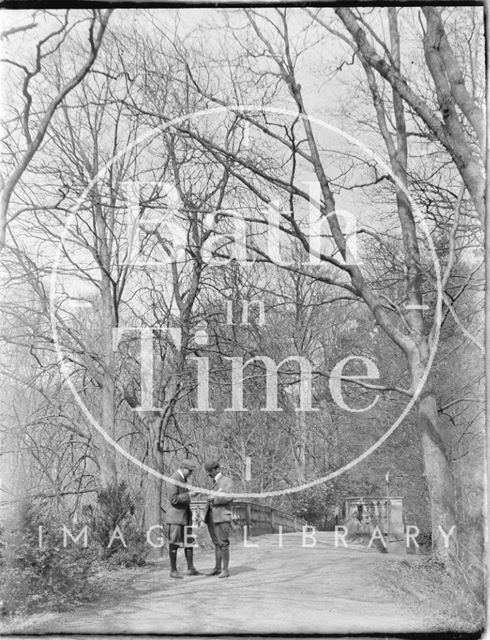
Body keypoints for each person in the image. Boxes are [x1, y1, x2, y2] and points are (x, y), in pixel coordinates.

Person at [165, 459, 201, 579]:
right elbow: (174, 499)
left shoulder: (183, 480)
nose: (191, 473)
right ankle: (173, 570)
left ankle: (190, 568)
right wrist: (189, 495)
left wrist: (190, 493)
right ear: (183, 468)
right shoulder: (173, 479)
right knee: (174, 543)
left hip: (185, 517)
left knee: (188, 542)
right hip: (175, 518)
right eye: (190, 471)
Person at [204, 460, 233, 578]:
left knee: (223, 543)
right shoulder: (214, 483)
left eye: (210, 471)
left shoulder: (227, 481)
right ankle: (217, 568)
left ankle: (225, 570)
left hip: (221, 516)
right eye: (208, 471)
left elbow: (229, 497)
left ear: (217, 469)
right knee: (216, 543)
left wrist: (214, 498)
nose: (209, 474)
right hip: (211, 517)